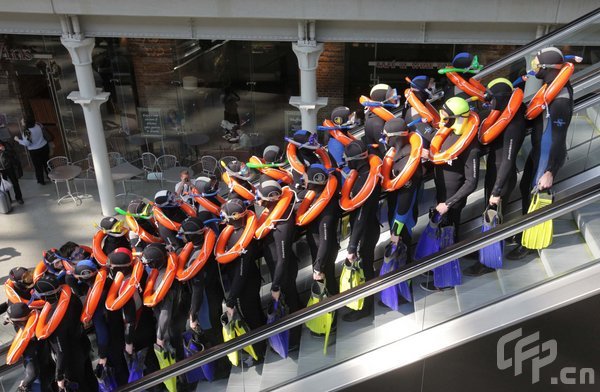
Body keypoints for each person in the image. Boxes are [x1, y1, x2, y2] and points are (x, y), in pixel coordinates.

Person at [508, 47, 574, 260]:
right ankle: (523, 234)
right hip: (539, 150)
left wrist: (550, 171)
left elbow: (558, 136)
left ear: (546, 67)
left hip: (547, 155)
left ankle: (530, 244)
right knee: (526, 189)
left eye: (537, 62)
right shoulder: (550, 87)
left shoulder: (561, 98)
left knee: (535, 194)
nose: (534, 65)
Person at [464, 78, 526, 275]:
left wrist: (497, 191)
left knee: (493, 218)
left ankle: (489, 263)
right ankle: (485, 250)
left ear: (501, 98)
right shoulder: (502, 115)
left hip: (502, 177)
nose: (489, 104)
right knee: (488, 215)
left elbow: (508, 159)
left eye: (491, 100)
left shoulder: (514, 123)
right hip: (494, 172)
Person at [422, 96, 480, 291]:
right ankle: (439, 270)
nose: (442, 122)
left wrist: (449, 203)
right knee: (441, 237)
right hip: (441, 197)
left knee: (449, 239)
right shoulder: (447, 133)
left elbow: (472, 182)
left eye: (446, 118)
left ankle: (445, 281)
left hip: (452, 202)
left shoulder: (469, 146)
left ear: (456, 119)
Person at [255, 176, 301, 344]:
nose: (257, 200)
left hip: (284, 272)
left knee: (291, 301)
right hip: (279, 269)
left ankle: (295, 339)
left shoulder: (282, 224)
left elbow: (282, 258)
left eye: (260, 197)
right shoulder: (273, 214)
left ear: (271, 199)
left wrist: (275, 286)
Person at [33, 275, 98, 391]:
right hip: (83, 345)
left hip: (72, 360)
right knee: (90, 377)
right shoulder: (72, 298)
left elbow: (61, 351)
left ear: (44, 296)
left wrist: (59, 376)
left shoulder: (52, 322)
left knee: (81, 385)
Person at [341, 141, 381, 322]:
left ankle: (366, 307)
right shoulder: (365, 175)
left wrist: (352, 246)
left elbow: (361, 217)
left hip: (366, 230)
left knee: (365, 268)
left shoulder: (364, 182)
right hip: (370, 227)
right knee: (366, 266)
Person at [218, 199, 265, 335]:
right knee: (256, 311)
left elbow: (241, 271)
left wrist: (231, 299)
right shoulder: (235, 232)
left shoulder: (244, 239)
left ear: (235, 216)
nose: (222, 218)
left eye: (224, 215)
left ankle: (260, 349)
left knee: (251, 316)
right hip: (249, 279)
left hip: (246, 284)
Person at [381, 118, 422, 252]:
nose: (384, 139)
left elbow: (406, 199)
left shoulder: (408, 162)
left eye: (385, 136)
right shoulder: (395, 154)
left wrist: (396, 230)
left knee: (404, 247)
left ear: (396, 137)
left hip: (403, 216)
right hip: (394, 208)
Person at [304, 164, 342, 297]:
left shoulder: (327, 208)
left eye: (307, 179)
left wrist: (318, 267)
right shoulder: (317, 199)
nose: (305, 182)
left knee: (329, 280)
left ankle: (334, 312)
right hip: (319, 251)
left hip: (324, 253)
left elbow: (325, 239)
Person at [7, 303, 55, 392]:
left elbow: (33, 373)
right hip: (50, 367)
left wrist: (23, 385)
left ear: (15, 322)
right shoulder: (38, 328)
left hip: (40, 380)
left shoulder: (27, 343)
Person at [363, 83, 398, 158]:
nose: (395, 97)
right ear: (382, 98)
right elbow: (387, 152)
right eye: (391, 95)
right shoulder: (377, 123)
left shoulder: (376, 117)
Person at [14, 114, 50, 185]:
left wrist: (18, 140)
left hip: (35, 151)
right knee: (46, 163)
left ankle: (41, 181)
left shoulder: (27, 131)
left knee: (38, 166)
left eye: (22, 120)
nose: (21, 121)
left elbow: (27, 143)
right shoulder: (38, 125)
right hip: (44, 146)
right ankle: (51, 176)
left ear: (26, 122)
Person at [0, 140, 24, 204]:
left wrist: (4, 150)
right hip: (1, 170)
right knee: (4, 186)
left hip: (9, 167)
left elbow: (13, 154)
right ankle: (8, 199)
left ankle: (19, 198)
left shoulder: (6, 144)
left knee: (15, 183)